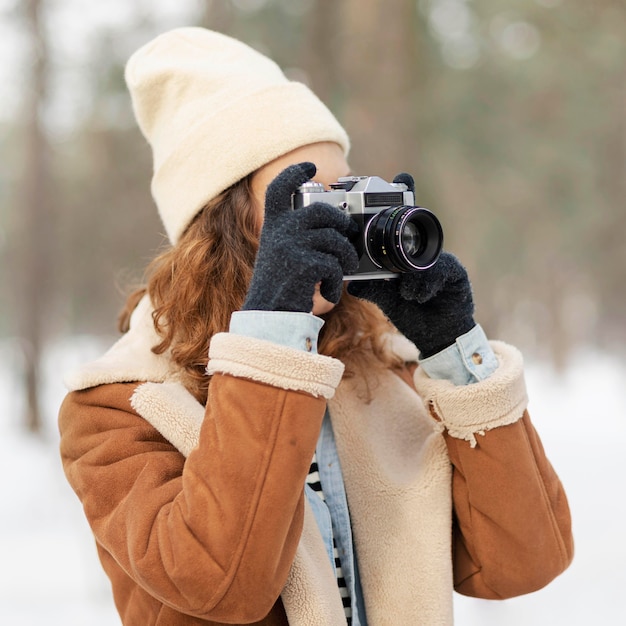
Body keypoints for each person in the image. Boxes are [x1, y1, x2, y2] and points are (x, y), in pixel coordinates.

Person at [58, 27, 573, 626]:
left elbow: (525, 561)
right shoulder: (120, 406)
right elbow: (220, 586)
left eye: (348, 194)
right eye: (311, 201)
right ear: (221, 229)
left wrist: (454, 352)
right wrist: (273, 332)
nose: (340, 227)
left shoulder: (382, 375)